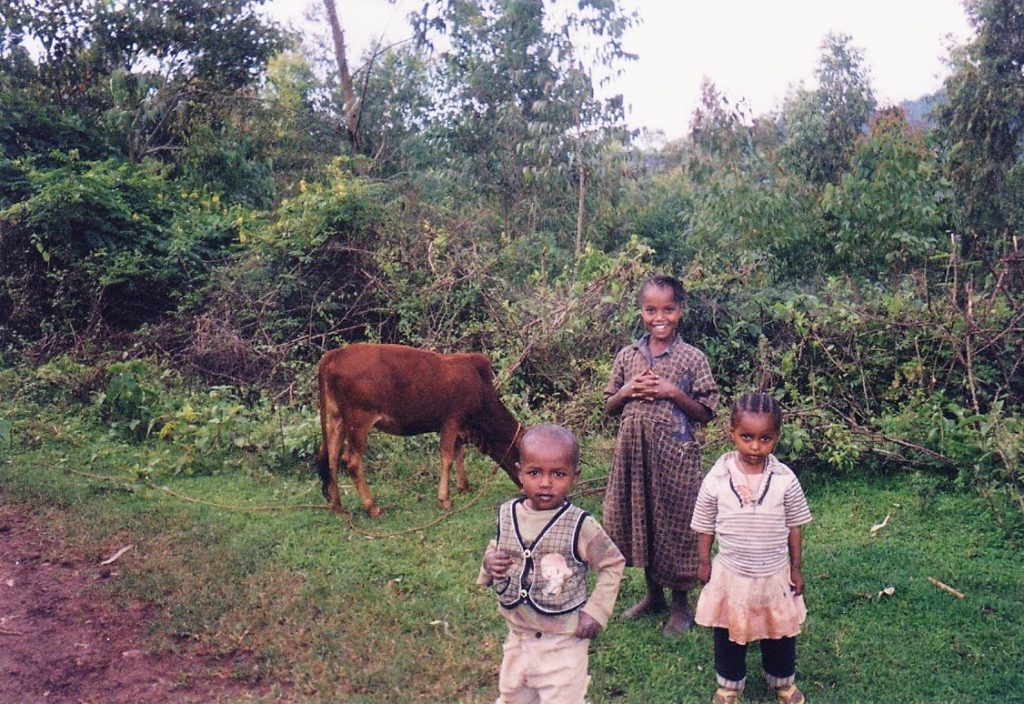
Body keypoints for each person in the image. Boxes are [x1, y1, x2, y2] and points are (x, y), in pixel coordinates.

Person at [602, 274, 719, 635]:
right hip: (633, 457)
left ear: (680, 311)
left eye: (668, 309)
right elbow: (608, 406)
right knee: (640, 519)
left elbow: (706, 411)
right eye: (651, 310)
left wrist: (671, 392)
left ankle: (681, 605)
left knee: (677, 523)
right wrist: (626, 391)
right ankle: (653, 596)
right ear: (641, 312)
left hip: (676, 458)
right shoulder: (628, 356)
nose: (660, 317)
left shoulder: (691, 357)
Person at [478, 424, 625, 704]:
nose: (545, 483)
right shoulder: (508, 513)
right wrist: (489, 563)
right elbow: (499, 546)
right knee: (513, 693)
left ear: (574, 476)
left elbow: (612, 563)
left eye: (558, 474)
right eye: (535, 473)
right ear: (520, 473)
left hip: (563, 639)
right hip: (518, 633)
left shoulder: (581, 525)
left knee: (563, 697)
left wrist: (596, 611)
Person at [691, 392, 812, 704]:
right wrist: (704, 561)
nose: (755, 447)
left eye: (765, 438)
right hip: (732, 573)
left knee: (780, 631)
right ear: (732, 432)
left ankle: (782, 682)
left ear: (776, 438)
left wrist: (796, 568)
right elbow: (704, 523)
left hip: (774, 572)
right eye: (747, 437)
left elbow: (795, 525)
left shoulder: (785, 479)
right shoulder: (717, 478)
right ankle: (730, 684)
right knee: (729, 631)